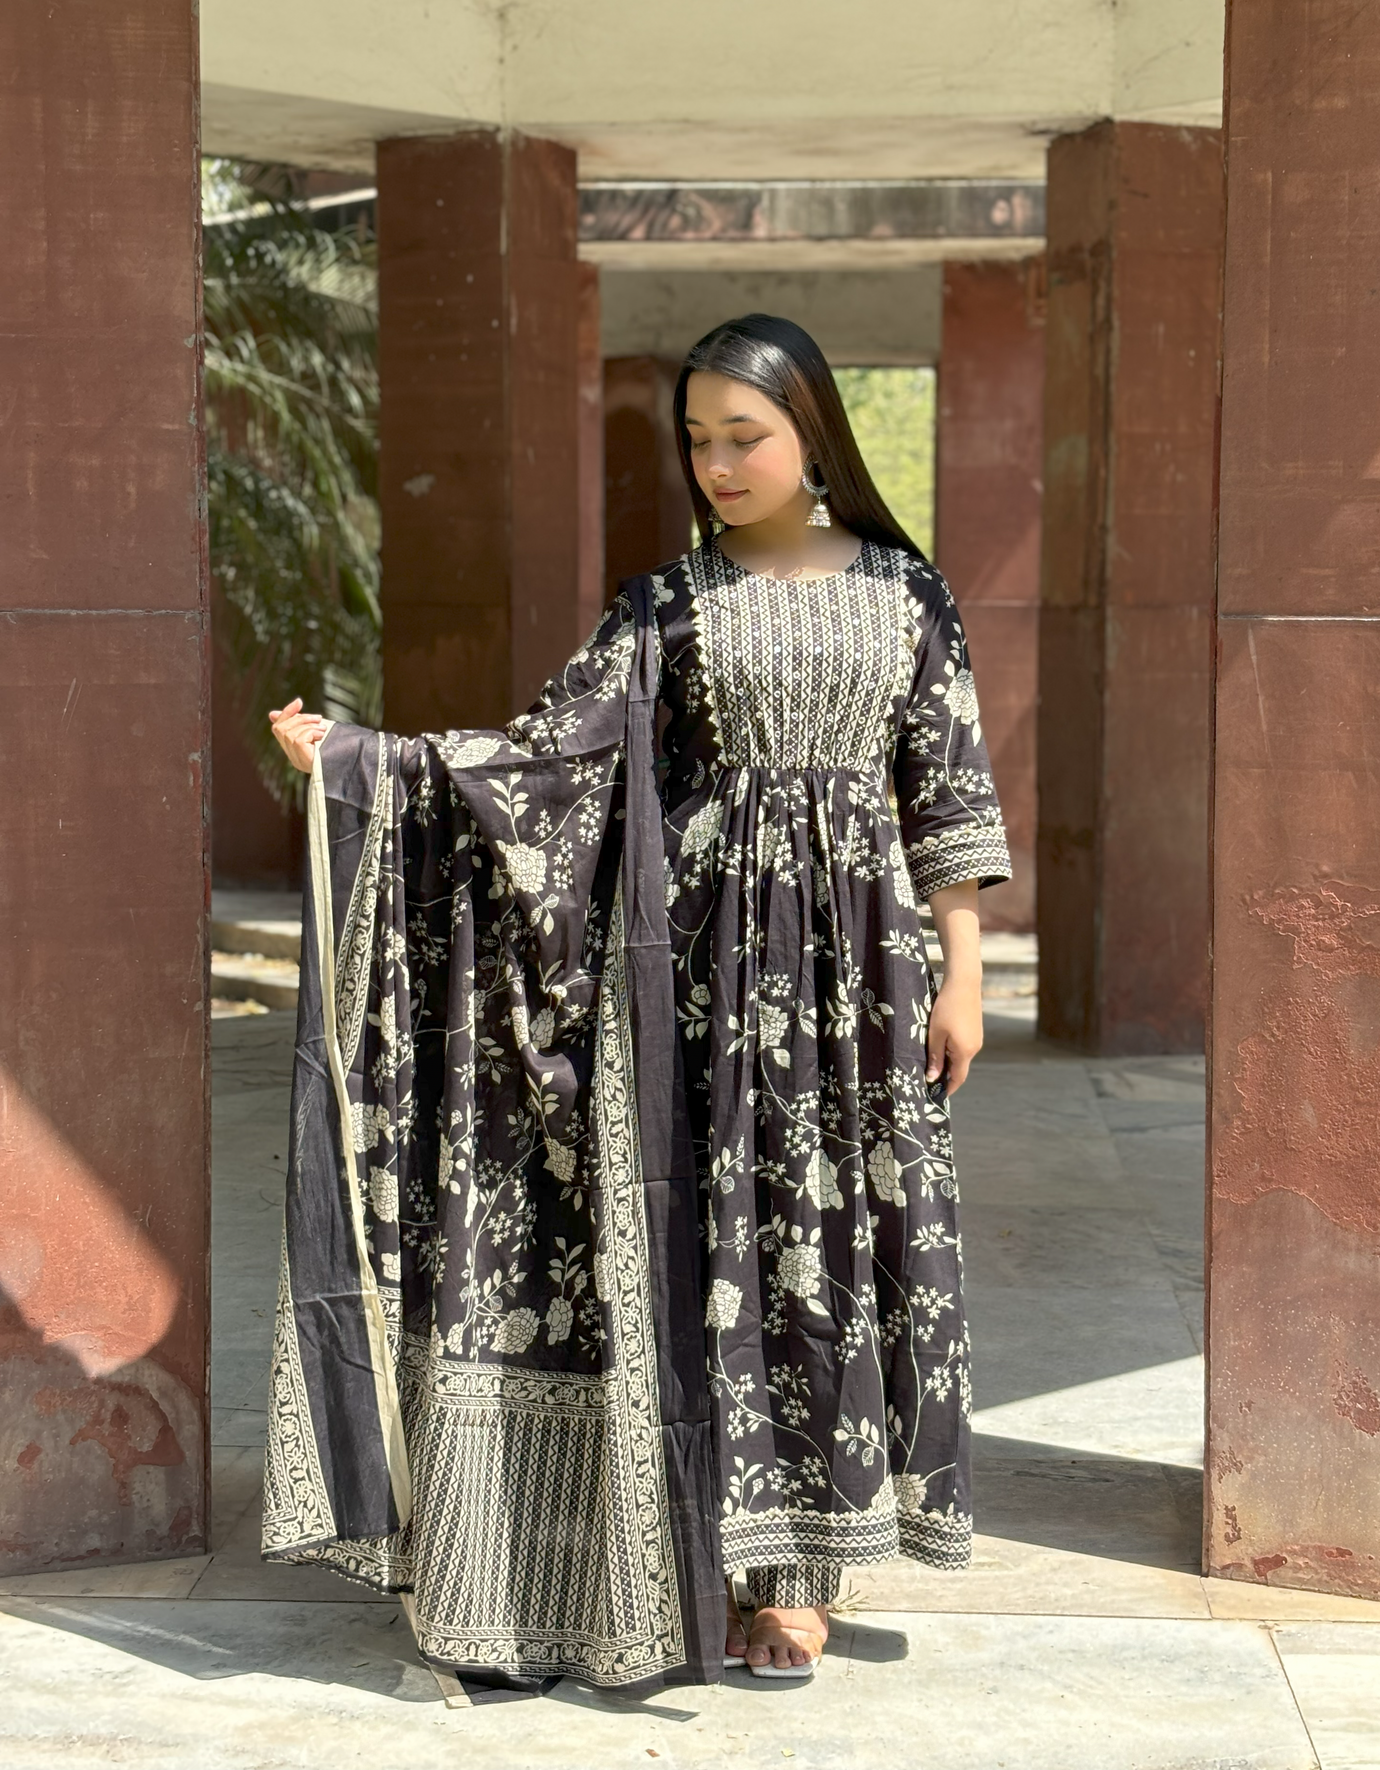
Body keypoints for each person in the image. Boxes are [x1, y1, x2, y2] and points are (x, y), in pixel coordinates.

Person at [265, 313, 1010, 1689]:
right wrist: (366, 762)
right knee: (709, 1246)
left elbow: (947, 794)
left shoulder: (912, 595)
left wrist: (962, 976)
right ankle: (700, 1550)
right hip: (699, 976)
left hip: (860, 972)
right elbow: (547, 761)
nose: (718, 464)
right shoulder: (664, 607)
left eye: (746, 437)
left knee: (829, 1241)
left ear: (813, 434)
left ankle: (800, 1573)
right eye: (698, 439)